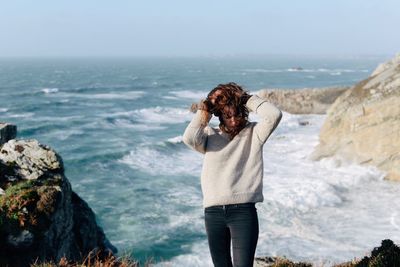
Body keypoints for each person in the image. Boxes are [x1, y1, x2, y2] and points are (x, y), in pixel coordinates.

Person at [182, 82, 282, 267]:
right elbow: (188, 138)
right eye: (228, 116)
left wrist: (243, 98)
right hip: (213, 214)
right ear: (220, 115)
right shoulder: (208, 137)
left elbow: (274, 115)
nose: (234, 120)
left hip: (243, 212)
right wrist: (206, 109)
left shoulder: (255, 133)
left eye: (237, 114)